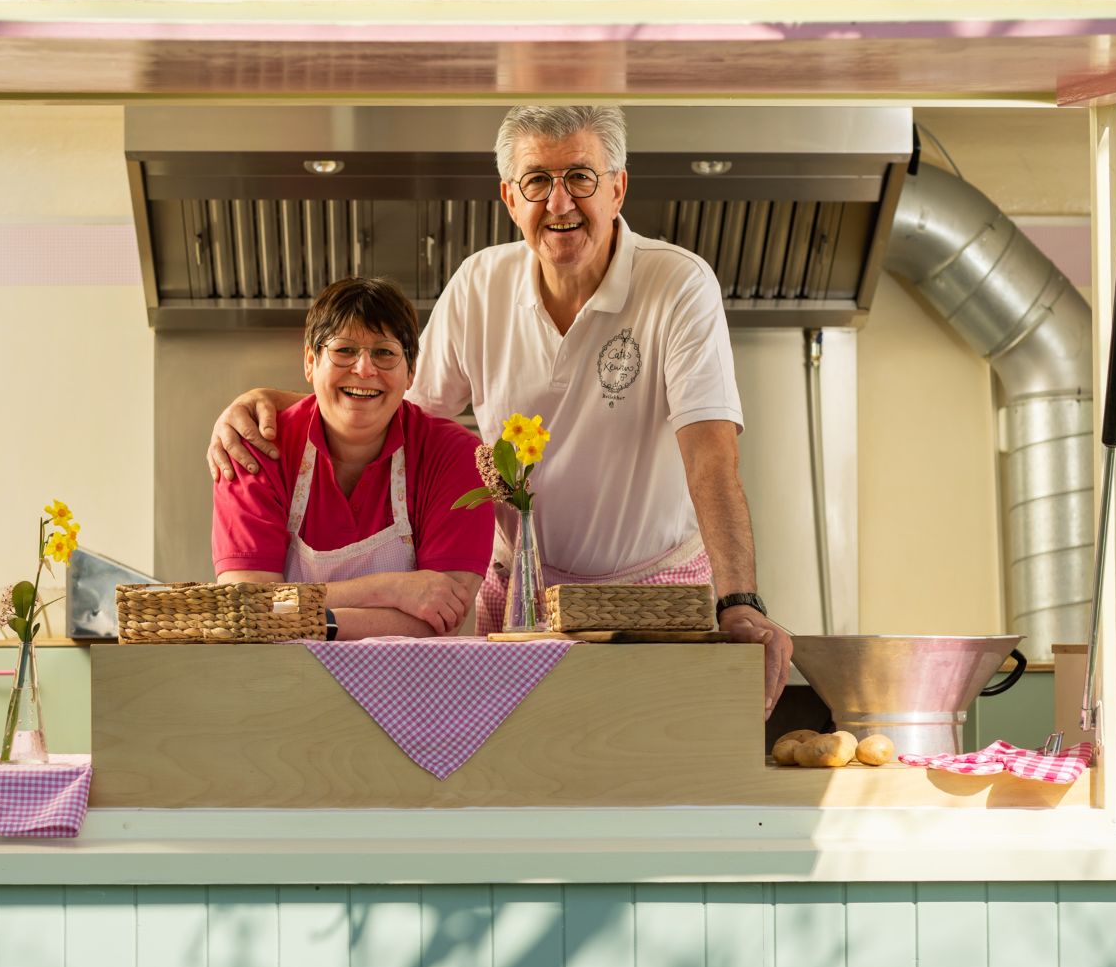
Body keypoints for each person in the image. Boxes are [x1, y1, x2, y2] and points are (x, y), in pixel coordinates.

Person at [207, 105, 795, 709]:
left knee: (648, 770)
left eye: (581, 178)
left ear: (618, 188)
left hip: (651, 587)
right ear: (510, 198)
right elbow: (391, 404)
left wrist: (739, 601)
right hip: (522, 593)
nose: (559, 203)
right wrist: (273, 401)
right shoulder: (479, 284)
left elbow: (711, 459)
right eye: (537, 181)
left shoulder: (677, 286)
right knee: (514, 785)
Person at [212, 276, 492, 639]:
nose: (364, 370)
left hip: (411, 689)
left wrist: (294, 615)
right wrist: (389, 590)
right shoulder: (255, 449)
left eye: (385, 352)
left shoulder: (454, 457)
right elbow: (249, 607)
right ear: (310, 362)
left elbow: (440, 615)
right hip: (280, 686)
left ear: (411, 373)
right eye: (344, 350)